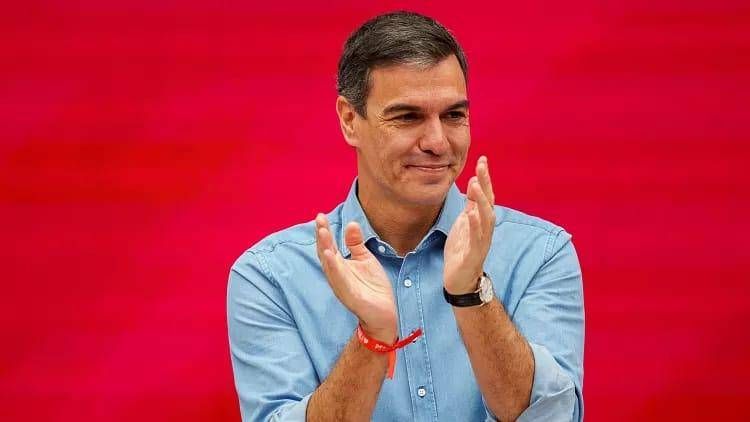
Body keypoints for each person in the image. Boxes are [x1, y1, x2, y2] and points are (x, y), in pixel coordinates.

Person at [227, 11, 584, 422]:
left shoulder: (541, 253)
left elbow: (554, 417)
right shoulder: (269, 276)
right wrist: (372, 339)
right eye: (407, 117)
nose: (437, 142)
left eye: (453, 115)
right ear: (349, 120)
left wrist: (471, 295)